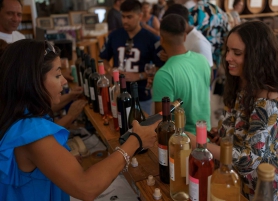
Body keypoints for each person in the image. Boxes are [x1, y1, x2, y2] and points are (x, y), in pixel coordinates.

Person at [0, 39, 158, 201]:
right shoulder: (31, 132)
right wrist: (136, 141)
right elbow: (87, 188)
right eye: (57, 75)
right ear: (33, 81)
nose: (64, 81)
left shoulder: (17, 114)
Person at [187, 21, 278, 200]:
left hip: (256, 183)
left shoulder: (269, 98)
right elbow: (239, 126)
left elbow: (249, 160)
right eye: (228, 50)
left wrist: (200, 145)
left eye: (237, 53)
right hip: (231, 176)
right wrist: (224, 135)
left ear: (257, 56)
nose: (228, 57)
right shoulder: (243, 81)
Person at [100, 0, 163, 115]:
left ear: (140, 16)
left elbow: (160, 67)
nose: (124, 21)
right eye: (123, 16)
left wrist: (138, 76)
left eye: (129, 17)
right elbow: (103, 59)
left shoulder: (151, 39)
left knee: (143, 129)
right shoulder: (114, 36)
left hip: (142, 94)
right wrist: (111, 70)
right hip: (117, 92)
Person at [152, 14, 211, 134]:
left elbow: (161, 121)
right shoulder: (202, 60)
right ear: (184, 37)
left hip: (181, 142)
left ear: (161, 39)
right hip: (205, 135)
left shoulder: (164, 74)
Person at [189, 0, 230, 68]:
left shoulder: (192, 12)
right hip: (216, 58)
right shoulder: (221, 13)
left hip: (197, 57)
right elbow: (226, 35)